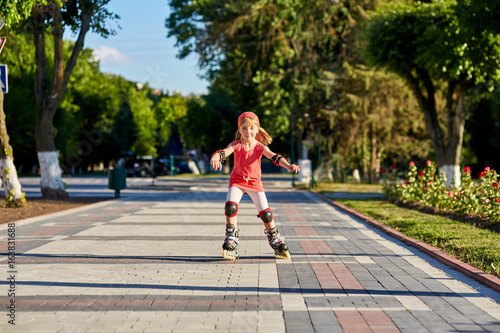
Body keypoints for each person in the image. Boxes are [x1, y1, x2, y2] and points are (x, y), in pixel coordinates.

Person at [210, 111, 302, 260]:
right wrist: (215, 159)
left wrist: (288, 166)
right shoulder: (236, 145)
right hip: (237, 182)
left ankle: (275, 238)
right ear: (239, 130)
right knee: (230, 206)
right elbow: (222, 153)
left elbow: (275, 157)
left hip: (255, 183)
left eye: (252, 128)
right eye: (244, 128)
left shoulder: (260, 146)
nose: (248, 132)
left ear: (257, 129)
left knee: (266, 214)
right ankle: (231, 237)